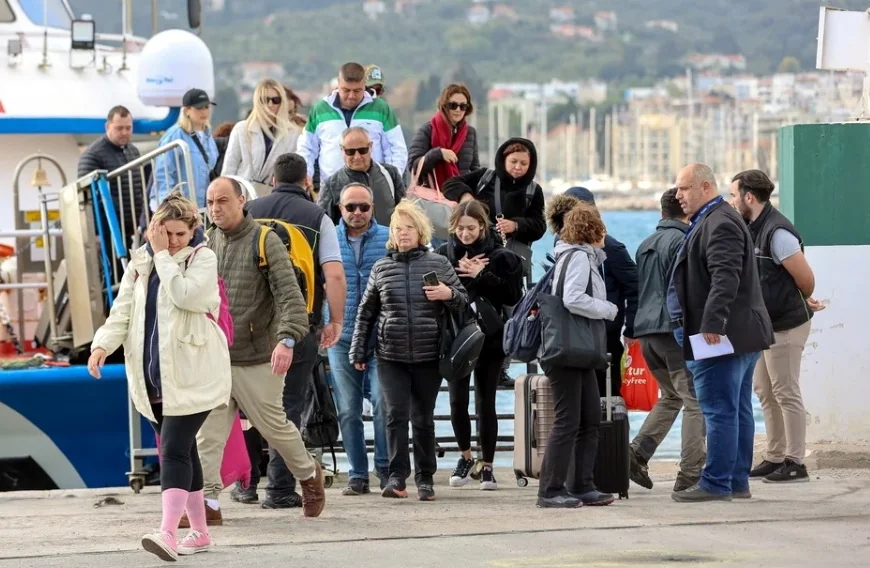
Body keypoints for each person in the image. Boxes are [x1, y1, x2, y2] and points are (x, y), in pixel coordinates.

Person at [88, 193, 231, 560]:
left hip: (194, 373)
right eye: (167, 234)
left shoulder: (203, 258)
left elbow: (185, 296)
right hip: (154, 376)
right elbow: (122, 311)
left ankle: (168, 531)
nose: (174, 241)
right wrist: (102, 345)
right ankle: (199, 532)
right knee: (184, 450)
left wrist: (163, 256)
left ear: (193, 231)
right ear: (155, 229)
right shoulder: (140, 262)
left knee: (173, 449)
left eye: (181, 234)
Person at [188, 177, 326, 525]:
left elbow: (291, 297)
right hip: (217, 358)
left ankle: (309, 474)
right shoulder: (206, 243)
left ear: (241, 201)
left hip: (256, 357)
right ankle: (207, 504)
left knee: (274, 427)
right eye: (210, 201)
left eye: (222, 200)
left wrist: (287, 340)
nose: (215, 208)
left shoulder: (265, 241)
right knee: (208, 435)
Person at [244, 153, 347, 509]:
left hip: (250, 325)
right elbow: (334, 274)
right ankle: (279, 488)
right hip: (300, 324)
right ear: (307, 182)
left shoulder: (249, 212)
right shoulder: (318, 217)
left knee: (246, 404)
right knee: (288, 406)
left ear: (273, 180)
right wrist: (335, 320)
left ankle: (246, 483)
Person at [350, 200, 467, 501]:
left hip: (429, 354)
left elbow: (463, 302)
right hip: (390, 355)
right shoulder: (381, 267)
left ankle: (425, 478)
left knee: (423, 418)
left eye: (409, 228)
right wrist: (358, 351)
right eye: (398, 228)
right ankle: (396, 477)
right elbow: (366, 312)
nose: (403, 233)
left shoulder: (438, 263)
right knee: (395, 415)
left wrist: (448, 293)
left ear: (420, 232)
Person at [670, 163, 774, 503]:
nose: (677, 195)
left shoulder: (720, 222)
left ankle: (717, 483)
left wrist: (712, 323)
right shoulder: (716, 218)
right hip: (739, 334)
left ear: (705, 186)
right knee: (737, 408)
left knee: (719, 409)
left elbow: (725, 275)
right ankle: (736, 481)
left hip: (722, 337)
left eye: (684, 188)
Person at [729, 169, 824, 484]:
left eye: (734, 195)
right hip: (764, 325)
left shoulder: (778, 232)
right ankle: (774, 456)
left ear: (749, 197)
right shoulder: (752, 227)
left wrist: (800, 298)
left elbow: (806, 279)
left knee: (785, 391)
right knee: (765, 391)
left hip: (786, 324)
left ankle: (795, 462)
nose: (731, 201)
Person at [435, 198, 523, 491]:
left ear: (483, 226)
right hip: (456, 335)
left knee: (486, 402)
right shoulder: (443, 255)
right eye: (460, 228)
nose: (465, 234)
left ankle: (487, 466)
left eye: (471, 228)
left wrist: (482, 275)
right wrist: (454, 280)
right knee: (456, 400)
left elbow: (513, 296)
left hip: (490, 335)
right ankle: (465, 457)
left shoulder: (502, 257)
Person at [536, 201, 618, 509]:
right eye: (601, 227)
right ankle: (550, 490)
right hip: (569, 350)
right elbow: (572, 299)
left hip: (574, 350)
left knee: (588, 417)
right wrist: (608, 309)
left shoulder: (575, 255)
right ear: (592, 230)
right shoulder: (579, 257)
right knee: (569, 420)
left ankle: (582, 485)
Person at [629, 188, 705, 492]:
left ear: (662, 213)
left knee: (672, 396)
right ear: (687, 211)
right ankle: (691, 473)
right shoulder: (684, 242)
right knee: (695, 401)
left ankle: (637, 453)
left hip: (646, 333)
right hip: (672, 332)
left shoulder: (645, 244)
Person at [330, 182, 390, 495]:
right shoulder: (327, 239)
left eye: (363, 207)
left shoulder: (389, 238)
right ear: (340, 208)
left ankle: (385, 469)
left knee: (383, 403)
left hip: (380, 337)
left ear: (372, 208)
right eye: (350, 207)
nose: (357, 212)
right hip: (341, 336)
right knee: (347, 409)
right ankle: (357, 474)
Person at [563, 187, 639, 397]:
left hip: (605, 336)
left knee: (608, 397)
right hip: (573, 335)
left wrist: (631, 329)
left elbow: (635, 287)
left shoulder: (611, 248)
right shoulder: (564, 247)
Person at [298, 62, 408, 183]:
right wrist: (305, 175)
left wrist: (390, 180)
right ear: (338, 84)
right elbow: (307, 147)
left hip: (373, 187)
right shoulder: (320, 109)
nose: (351, 96)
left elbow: (396, 149)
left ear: (364, 85)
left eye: (357, 91)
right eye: (346, 90)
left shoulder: (381, 109)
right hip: (331, 187)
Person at [77, 105, 146, 250]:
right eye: (119, 128)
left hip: (130, 228)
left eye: (128, 128)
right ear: (108, 127)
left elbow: (139, 188)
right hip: (106, 232)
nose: (125, 132)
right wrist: (96, 233)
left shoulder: (133, 151)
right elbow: (87, 197)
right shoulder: (93, 155)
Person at [221, 79, 301, 190]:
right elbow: (229, 168)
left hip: (273, 194)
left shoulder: (292, 134)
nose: (270, 104)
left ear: (282, 102)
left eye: (276, 100)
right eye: (265, 100)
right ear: (257, 101)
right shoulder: (242, 129)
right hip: (243, 192)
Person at [319, 127, 406, 226]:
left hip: (390, 235)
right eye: (350, 152)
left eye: (362, 150)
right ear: (342, 150)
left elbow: (405, 213)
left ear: (370, 146)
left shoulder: (390, 173)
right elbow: (322, 225)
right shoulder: (330, 185)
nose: (357, 157)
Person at [151, 89, 218, 209]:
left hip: (203, 208)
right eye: (199, 108)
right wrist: (170, 205)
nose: (204, 111)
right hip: (180, 208)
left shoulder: (208, 136)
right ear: (187, 110)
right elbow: (164, 173)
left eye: (207, 107)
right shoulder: (174, 135)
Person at [407, 84, 480, 189]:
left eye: (463, 106)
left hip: (461, 193)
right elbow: (413, 166)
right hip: (433, 194)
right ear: (445, 106)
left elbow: (475, 169)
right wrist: (438, 154)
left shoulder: (470, 133)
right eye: (453, 105)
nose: (458, 110)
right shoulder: (428, 130)